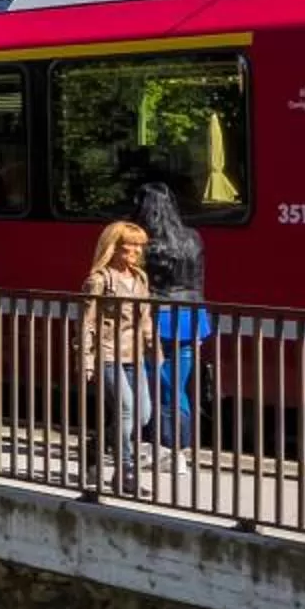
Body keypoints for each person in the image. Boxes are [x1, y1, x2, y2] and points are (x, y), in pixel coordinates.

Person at [132, 182, 208, 483]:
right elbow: (198, 282)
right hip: (191, 317)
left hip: (157, 320)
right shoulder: (193, 238)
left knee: (158, 387)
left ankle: (168, 450)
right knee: (178, 386)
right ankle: (179, 449)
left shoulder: (144, 243)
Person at [80, 219, 154, 496]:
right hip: (108, 352)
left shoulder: (140, 278)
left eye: (139, 246)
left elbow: (145, 317)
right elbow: (86, 323)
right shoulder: (99, 280)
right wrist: (86, 360)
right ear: (114, 247)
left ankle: (97, 445)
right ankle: (126, 472)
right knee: (126, 408)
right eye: (129, 246)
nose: (136, 251)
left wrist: (153, 347)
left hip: (134, 354)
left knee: (143, 415)